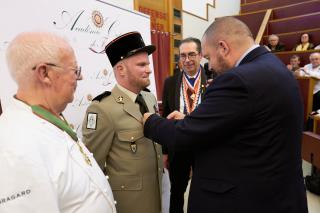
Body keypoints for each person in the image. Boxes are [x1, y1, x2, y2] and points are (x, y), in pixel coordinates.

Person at [143, 17, 308, 213]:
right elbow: (246, 122)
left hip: (247, 198)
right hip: (279, 193)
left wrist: (150, 121)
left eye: (208, 57)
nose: (210, 66)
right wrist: (191, 120)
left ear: (223, 47)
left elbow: (184, 135)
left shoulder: (238, 80)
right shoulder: (276, 68)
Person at [0, 32, 116, 212]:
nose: (80, 77)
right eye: (75, 70)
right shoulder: (16, 146)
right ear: (45, 73)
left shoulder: (46, 118)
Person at [82, 31, 162, 213]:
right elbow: (92, 168)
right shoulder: (103, 109)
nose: (149, 69)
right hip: (128, 205)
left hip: (156, 195)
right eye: (141, 64)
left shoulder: (149, 99)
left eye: (147, 63)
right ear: (121, 70)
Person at [162, 37, 207, 213]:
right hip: (178, 146)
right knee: (177, 192)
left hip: (204, 147)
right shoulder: (170, 82)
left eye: (191, 54)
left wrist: (187, 118)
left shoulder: (215, 80)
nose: (187, 60)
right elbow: (166, 116)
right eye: (182, 56)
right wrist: (165, 151)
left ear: (201, 55)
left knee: (203, 190)